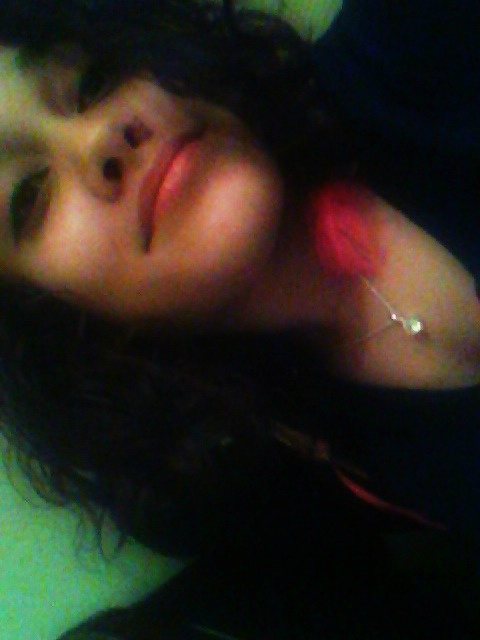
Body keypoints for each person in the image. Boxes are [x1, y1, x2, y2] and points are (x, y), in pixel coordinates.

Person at [0, 0, 479, 637]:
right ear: (51, 317)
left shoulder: (418, 40)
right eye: (29, 197)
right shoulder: (264, 476)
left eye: (93, 82)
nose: (99, 136)